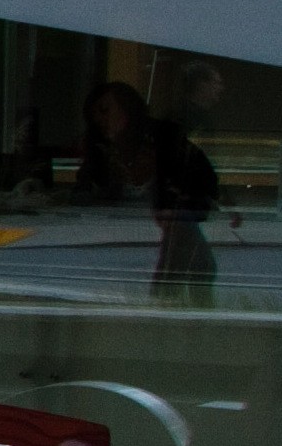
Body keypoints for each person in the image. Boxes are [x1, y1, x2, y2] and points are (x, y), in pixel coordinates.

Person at [76, 80, 221, 305]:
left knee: (190, 259)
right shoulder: (100, 150)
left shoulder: (164, 138)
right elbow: (85, 191)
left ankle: (171, 304)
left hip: (159, 226)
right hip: (124, 234)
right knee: (190, 264)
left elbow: (202, 179)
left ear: (127, 107)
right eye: (94, 115)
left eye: (105, 110)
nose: (100, 120)